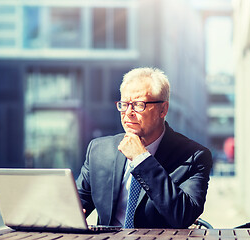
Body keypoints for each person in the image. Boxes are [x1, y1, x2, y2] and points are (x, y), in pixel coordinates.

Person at [76, 67, 212, 229]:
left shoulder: (194, 157)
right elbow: (76, 202)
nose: (128, 113)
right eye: (124, 104)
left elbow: (183, 216)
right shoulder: (99, 150)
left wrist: (142, 159)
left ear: (163, 109)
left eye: (138, 105)